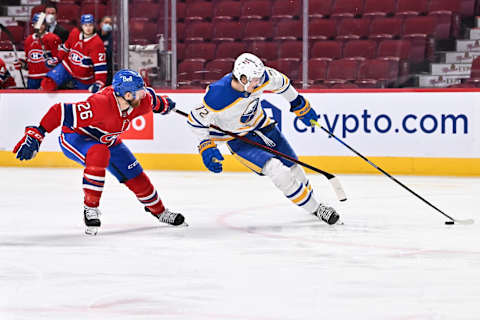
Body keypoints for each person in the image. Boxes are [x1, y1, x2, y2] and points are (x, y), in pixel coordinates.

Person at [13, 69, 186, 235]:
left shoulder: (142, 100)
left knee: (136, 175)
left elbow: (154, 100)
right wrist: (37, 135)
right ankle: (91, 207)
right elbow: (59, 111)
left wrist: (164, 105)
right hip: (77, 137)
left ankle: (160, 211)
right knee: (99, 153)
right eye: (138, 92)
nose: (143, 94)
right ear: (127, 95)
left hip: (109, 139)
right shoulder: (100, 104)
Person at [187, 53, 340, 225]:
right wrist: (206, 146)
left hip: (263, 126)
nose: (259, 84)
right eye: (254, 81)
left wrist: (298, 103)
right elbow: (195, 120)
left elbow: (282, 83)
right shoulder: (217, 95)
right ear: (242, 78)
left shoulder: (262, 77)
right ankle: (317, 209)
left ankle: (311, 202)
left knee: (294, 166)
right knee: (276, 170)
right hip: (239, 140)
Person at [41, 14, 107, 92]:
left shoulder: (97, 43)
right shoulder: (75, 32)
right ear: (81, 26)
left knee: (83, 99)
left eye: (90, 25)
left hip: (83, 77)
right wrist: (57, 58)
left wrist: (99, 82)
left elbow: (100, 66)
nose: (88, 28)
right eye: (85, 25)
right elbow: (66, 47)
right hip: (67, 67)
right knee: (47, 84)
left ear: (94, 26)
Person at [14, 13, 61, 89]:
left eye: (42, 24)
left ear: (45, 24)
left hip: (47, 78)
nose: (40, 26)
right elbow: (29, 63)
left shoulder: (53, 38)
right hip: (32, 79)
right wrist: (21, 64)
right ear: (33, 25)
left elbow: (59, 60)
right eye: (37, 23)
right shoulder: (28, 40)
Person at [98, 16, 113, 85]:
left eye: (110, 23)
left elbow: (109, 52)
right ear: (101, 24)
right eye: (106, 23)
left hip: (107, 68)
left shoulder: (112, 37)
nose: (108, 25)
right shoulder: (95, 35)